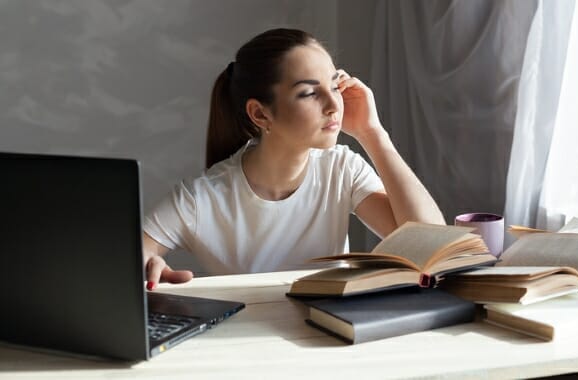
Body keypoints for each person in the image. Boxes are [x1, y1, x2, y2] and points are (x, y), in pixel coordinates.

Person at [142, 28, 444, 290]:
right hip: (248, 348)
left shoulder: (341, 168)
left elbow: (431, 247)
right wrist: (146, 267)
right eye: (310, 92)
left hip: (332, 342)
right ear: (260, 113)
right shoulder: (202, 198)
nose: (332, 105)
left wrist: (372, 133)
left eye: (336, 85)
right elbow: (124, 261)